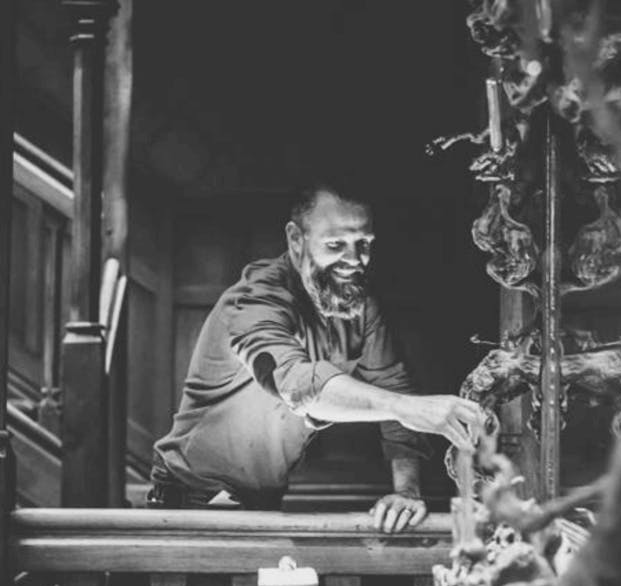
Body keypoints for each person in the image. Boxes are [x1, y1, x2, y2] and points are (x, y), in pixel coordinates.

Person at [149, 180, 482, 534]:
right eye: (336, 245)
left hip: (266, 500)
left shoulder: (360, 307)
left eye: (364, 244)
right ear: (296, 239)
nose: (354, 261)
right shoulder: (254, 301)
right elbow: (299, 387)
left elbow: (393, 385)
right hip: (192, 499)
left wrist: (406, 491)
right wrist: (405, 407)